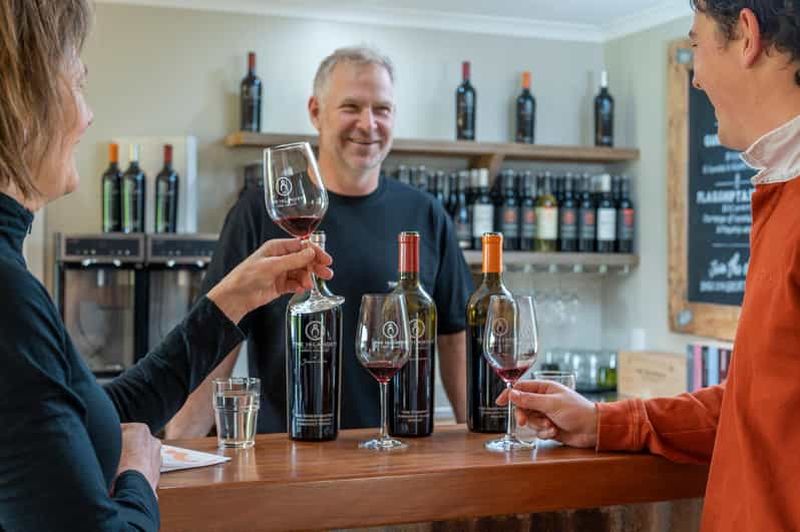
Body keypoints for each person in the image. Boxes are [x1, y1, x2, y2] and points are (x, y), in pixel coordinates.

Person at [0, 2, 333, 530]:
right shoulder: (9, 297)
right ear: (24, 101)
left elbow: (92, 418)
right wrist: (138, 472)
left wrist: (232, 300)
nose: (88, 116)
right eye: (79, 85)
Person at [500, 1, 800, 530]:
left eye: (696, 43)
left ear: (747, 35)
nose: (696, 76)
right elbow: (757, 406)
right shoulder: (779, 191)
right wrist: (602, 422)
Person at [166, 46, 473, 438]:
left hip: (400, 450)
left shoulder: (425, 214)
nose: (368, 124)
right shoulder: (261, 212)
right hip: (290, 452)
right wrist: (177, 450)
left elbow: (454, 339)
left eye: (382, 109)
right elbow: (216, 336)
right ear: (315, 111)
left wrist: (478, 443)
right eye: (351, 107)